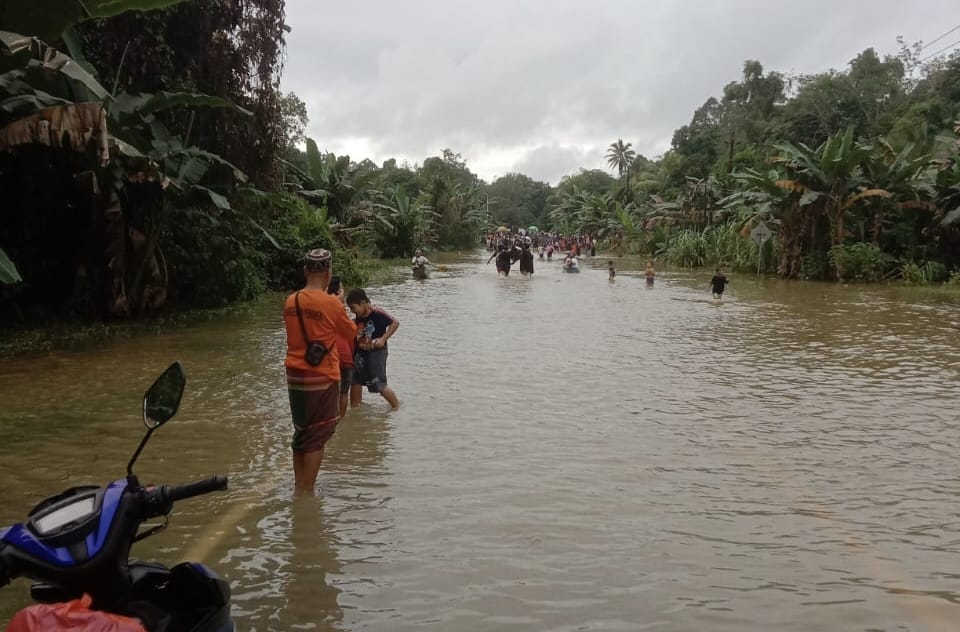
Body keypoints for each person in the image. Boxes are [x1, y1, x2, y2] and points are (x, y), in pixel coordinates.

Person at [283, 248, 358, 495]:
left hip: (295, 374)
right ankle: (308, 491)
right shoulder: (331, 303)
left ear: (306, 271)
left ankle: (299, 485)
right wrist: (339, 303)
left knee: (302, 433)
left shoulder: (291, 301)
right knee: (317, 436)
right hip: (322, 375)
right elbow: (350, 333)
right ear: (328, 273)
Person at [347, 288, 400, 409]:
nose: (352, 311)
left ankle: (396, 407)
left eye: (353, 308)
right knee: (355, 379)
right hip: (360, 352)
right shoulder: (358, 316)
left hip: (376, 352)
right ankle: (355, 409)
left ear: (362, 303)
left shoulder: (377, 313)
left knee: (378, 382)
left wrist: (383, 339)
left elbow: (395, 323)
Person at [327, 275, 354, 419]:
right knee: (344, 392)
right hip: (344, 355)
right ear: (339, 291)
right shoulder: (339, 308)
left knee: (332, 392)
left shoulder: (323, 306)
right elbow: (351, 332)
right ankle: (341, 419)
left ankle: (332, 419)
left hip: (330, 355)